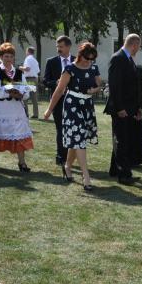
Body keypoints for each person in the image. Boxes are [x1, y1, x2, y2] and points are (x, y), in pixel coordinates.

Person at [44, 42, 102, 189]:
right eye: (87, 58)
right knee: (79, 139)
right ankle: (86, 176)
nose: (89, 62)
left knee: (77, 140)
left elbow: (99, 85)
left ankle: (67, 166)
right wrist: (49, 110)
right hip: (72, 105)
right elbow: (59, 90)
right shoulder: (69, 69)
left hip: (87, 106)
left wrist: (93, 91)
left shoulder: (94, 68)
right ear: (80, 55)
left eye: (92, 59)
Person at [0, 42, 34, 171]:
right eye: (6, 56)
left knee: (19, 133)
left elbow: (26, 90)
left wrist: (22, 94)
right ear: (1, 57)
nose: (8, 59)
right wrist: (9, 92)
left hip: (15, 109)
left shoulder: (19, 72)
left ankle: (22, 163)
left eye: (11, 56)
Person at [104, 33, 142, 185]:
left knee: (123, 139)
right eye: (138, 46)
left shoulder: (128, 59)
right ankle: (124, 175)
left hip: (129, 107)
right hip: (121, 108)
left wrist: (137, 107)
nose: (138, 49)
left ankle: (115, 170)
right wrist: (119, 108)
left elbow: (133, 86)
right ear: (134, 44)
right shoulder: (118, 58)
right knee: (122, 140)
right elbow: (114, 85)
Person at [43, 35, 75, 166]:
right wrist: (56, 83)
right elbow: (45, 81)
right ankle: (61, 156)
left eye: (61, 46)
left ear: (68, 47)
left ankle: (70, 157)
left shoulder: (76, 61)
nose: (58, 49)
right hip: (57, 101)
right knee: (60, 129)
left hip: (73, 101)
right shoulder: (51, 62)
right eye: (57, 46)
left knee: (72, 129)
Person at [23, 46, 40, 119]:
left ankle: (26, 113)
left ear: (28, 51)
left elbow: (27, 68)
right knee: (34, 98)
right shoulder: (35, 60)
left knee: (25, 96)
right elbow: (38, 71)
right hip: (35, 79)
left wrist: (20, 68)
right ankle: (36, 114)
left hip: (29, 79)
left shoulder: (28, 58)